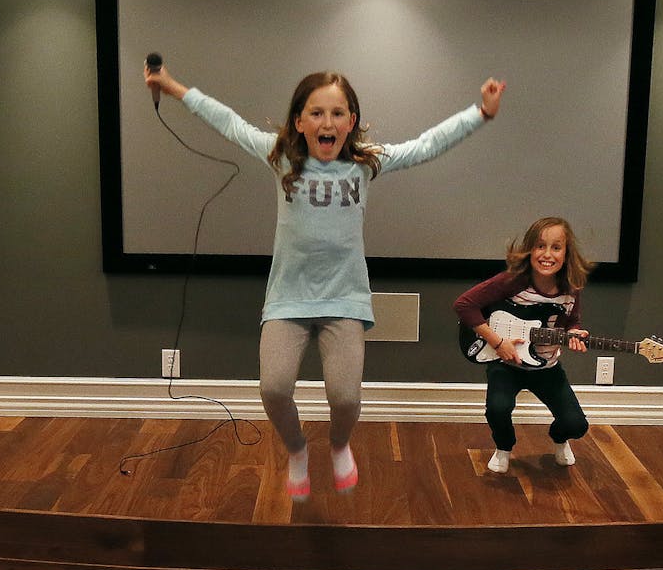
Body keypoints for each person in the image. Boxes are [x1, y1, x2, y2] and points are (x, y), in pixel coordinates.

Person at [145, 61, 506, 501]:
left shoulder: (364, 164)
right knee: (273, 388)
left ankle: (338, 444)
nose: (327, 122)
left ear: (351, 121)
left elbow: (425, 145)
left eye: (337, 113)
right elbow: (227, 121)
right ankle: (297, 450)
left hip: (345, 300)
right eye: (316, 113)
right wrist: (172, 86)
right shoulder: (280, 158)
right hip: (287, 300)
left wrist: (480, 114)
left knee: (345, 398)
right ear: (299, 121)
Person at [453, 216, 593, 473]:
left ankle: (559, 438)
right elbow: (464, 305)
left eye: (556, 247)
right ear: (529, 249)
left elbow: (572, 320)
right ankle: (504, 446)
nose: (547, 254)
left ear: (567, 253)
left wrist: (575, 333)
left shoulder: (571, 289)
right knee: (498, 409)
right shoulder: (513, 281)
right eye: (540, 246)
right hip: (506, 365)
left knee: (577, 425)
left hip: (547, 368)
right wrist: (497, 343)